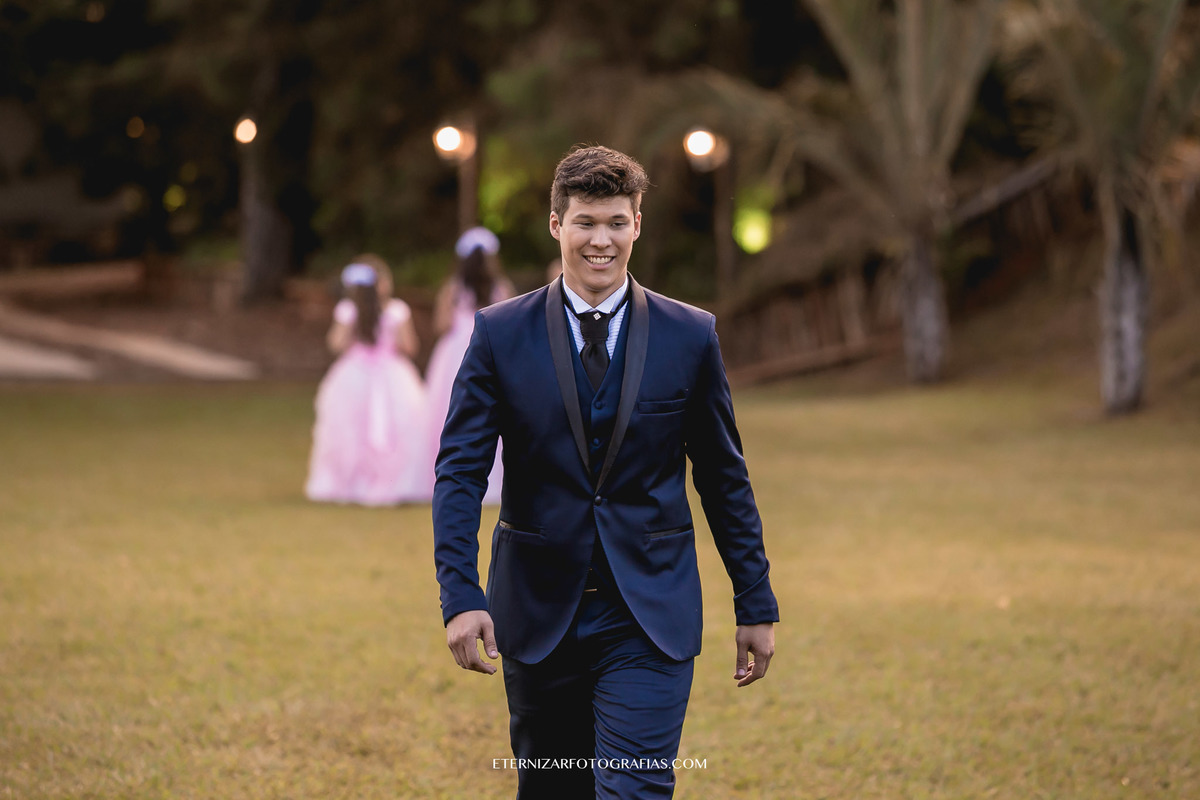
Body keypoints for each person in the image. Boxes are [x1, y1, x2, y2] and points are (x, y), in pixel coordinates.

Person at [433, 145, 778, 799]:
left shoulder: (690, 335)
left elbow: (722, 476)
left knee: (635, 791)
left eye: (617, 222)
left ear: (637, 224)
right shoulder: (499, 335)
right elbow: (460, 473)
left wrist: (754, 600)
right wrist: (461, 595)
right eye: (586, 222)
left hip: (650, 614)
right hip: (536, 611)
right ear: (556, 224)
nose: (602, 240)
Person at [305, 255, 427, 505]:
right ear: (382, 283)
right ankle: (391, 483)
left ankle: (353, 483)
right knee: (394, 432)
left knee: (352, 430)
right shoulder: (395, 310)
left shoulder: (349, 310)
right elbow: (409, 346)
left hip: (355, 376)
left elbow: (336, 343)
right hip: (391, 375)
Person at [421, 226, 514, 503]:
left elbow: (441, 324)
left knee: (449, 411)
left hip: (454, 354)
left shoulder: (453, 289)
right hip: (492, 352)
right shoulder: (501, 288)